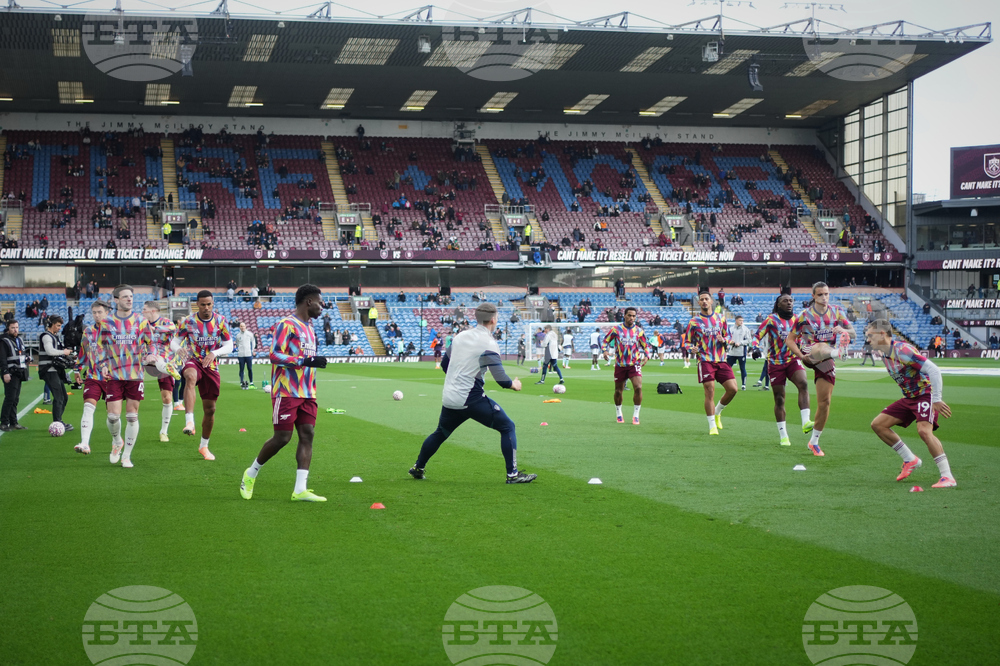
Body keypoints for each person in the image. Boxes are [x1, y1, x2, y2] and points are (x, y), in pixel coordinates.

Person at [408, 302, 535, 484]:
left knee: (440, 433)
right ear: (493, 319)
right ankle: (513, 475)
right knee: (507, 427)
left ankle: (418, 467)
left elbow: (445, 365)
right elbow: (501, 379)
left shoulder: (460, 336)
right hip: (470, 398)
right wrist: (514, 384)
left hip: (450, 397)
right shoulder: (489, 343)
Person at [240, 284, 329, 502]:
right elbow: (274, 355)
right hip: (286, 391)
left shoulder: (310, 328)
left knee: (308, 434)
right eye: (319, 301)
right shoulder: (286, 324)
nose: (322, 306)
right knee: (283, 438)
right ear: (308, 302)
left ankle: (300, 489)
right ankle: (251, 473)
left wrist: (313, 362)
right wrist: (303, 360)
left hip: (308, 391)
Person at [866, 320, 956, 488]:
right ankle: (910, 459)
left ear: (882, 334)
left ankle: (947, 477)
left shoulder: (902, 351)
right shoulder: (883, 353)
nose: (868, 340)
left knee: (924, 431)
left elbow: (934, 370)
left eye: (871, 336)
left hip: (924, 395)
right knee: (878, 425)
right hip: (910, 398)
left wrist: (936, 398)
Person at [785, 281, 856, 457]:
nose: (824, 297)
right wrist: (801, 357)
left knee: (825, 402)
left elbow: (853, 332)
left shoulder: (837, 312)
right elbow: (790, 339)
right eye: (820, 295)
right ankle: (840, 353)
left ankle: (814, 442)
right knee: (819, 345)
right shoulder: (804, 316)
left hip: (827, 357)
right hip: (810, 352)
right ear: (813, 296)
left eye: (827, 294)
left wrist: (844, 331)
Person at [95, 285, 152, 468]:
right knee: (113, 416)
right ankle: (117, 441)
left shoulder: (141, 321)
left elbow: (151, 344)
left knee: (132, 416)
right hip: (114, 374)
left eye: (131, 296)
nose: (129, 299)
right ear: (116, 300)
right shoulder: (106, 322)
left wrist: (151, 354)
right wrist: (103, 364)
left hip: (135, 375)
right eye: (125, 296)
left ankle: (127, 455)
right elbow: (99, 347)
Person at [174, 290, 233, 460]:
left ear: (213, 304)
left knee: (210, 409)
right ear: (197, 304)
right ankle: (189, 421)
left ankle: (204, 446)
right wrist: (178, 349)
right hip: (193, 360)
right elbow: (174, 341)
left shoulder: (221, 321)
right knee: (190, 377)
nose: (206, 308)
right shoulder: (188, 321)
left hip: (211, 365)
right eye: (203, 304)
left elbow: (229, 345)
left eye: (209, 304)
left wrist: (215, 353)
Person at [754, 293, 813, 447]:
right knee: (780, 398)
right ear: (778, 304)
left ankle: (806, 421)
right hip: (775, 363)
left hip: (792, 360)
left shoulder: (798, 320)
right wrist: (755, 347)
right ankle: (784, 436)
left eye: (791, 301)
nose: (789, 303)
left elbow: (806, 338)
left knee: (804, 383)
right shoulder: (771, 319)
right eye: (785, 301)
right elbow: (757, 335)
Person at [684, 289, 737, 435]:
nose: (704, 301)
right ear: (699, 302)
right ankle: (712, 426)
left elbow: (729, 337)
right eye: (701, 299)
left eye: (706, 299)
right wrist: (691, 348)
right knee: (710, 390)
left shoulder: (721, 318)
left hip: (721, 359)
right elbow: (687, 342)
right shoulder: (694, 321)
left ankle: (718, 412)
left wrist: (724, 340)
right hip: (705, 360)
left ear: (711, 301)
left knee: (733, 389)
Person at [73, 301, 114, 454]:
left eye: (100, 312)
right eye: (94, 312)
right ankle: (84, 443)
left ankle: (117, 441)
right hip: (93, 376)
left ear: (107, 313)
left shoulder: (115, 331)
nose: (97, 315)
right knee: (88, 407)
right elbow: (83, 352)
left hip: (112, 378)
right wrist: (77, 369)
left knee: (113, 415)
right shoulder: (88, 331)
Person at [602, 307, 651, 425]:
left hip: (634, 363)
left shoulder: (639, 331)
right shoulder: (616, 329)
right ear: (624, 316)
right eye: (629, 315)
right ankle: (619, 413)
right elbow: (605, 341)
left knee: (638, 387)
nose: (632, 318)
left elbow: (645, 345)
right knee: (618, 391)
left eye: (634, 316)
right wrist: (604, 350)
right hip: (620, 364)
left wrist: (647, 355)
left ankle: (636, 415)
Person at [142, 301, 181, 442]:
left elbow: (172, 328)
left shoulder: (166, 322)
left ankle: (163, 431)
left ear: (153, 310)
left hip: (164, 360)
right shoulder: (141, 324)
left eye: (145, 309)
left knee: (167, 398)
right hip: (145, 359)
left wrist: (153, 328)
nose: (142, 311)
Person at [38, 315, 74, 433]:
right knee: (59, 397)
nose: (59, 328)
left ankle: (58, 421)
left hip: (55, 370)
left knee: (64, 397)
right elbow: (50, 351)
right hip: (49, 370)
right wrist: (64, 352)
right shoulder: (46, 336)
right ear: (51, 324)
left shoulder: (55, 337)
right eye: (58, 325)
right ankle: (57, 422)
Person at [0, 320, 29, 431]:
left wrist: (27, 358)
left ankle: (13, 422)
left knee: (15, 398)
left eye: (16, 327)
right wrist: (5, 372)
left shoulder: (19, 339)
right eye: (13, 327)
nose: (15, 329)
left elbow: (23, 353)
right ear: (8, 328)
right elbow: (2, 359)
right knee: (10, 397)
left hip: (19, 372)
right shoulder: (4, 341)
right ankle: (4, 422)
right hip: (10, 372)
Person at [726, 315, 753, 390]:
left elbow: (749, 340)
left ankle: (743, 384)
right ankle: (728, 383)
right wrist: (730, 342)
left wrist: (740, 343)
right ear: (736, 320)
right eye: (740, 320)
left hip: (741, 352)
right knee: (727, 368)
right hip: (732, 352)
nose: (741, 322)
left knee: (742, 368)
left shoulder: (745, 329)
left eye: (742, 320)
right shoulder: (731, 329)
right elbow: (727, 338)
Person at [235, 321, 257, 389]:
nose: (242, 327)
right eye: (241, 326)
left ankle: (251, 382)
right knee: (241, 369)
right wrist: (239, 350)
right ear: (239, 327)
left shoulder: (250, 334)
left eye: (243, 326)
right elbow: (237, 344)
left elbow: (253, 342)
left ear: (245, 326)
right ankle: (241, 382)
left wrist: (252, 350)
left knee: (249, 368)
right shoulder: (238, 335)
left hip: (248, 354)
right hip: (241, 354)